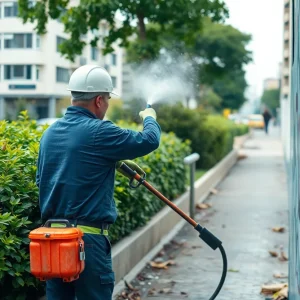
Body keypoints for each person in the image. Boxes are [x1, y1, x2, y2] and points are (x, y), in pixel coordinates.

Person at [36, 65, 161, 300]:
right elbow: (149, 140)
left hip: (52, 242)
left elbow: (43, 180)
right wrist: (150, 118)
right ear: (99, 100)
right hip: (87, 244)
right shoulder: (100, 131)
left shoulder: (49, 134)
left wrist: (107, 162)